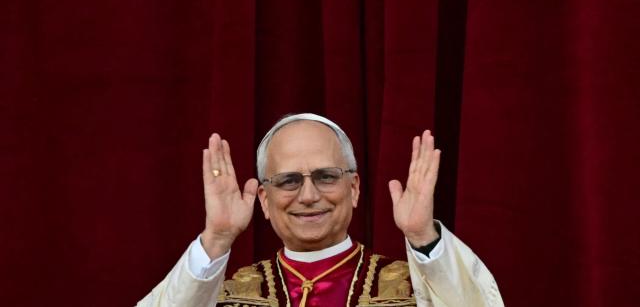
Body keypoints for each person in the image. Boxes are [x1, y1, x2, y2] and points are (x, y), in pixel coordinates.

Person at [138, 113, 503, 306]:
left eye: (327, 176)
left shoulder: (412, 291)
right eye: (288, 180)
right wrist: (215, 240)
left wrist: (424, 237)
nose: (309, 195)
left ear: (354, 188)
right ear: (263, 200)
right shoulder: (230, 296)